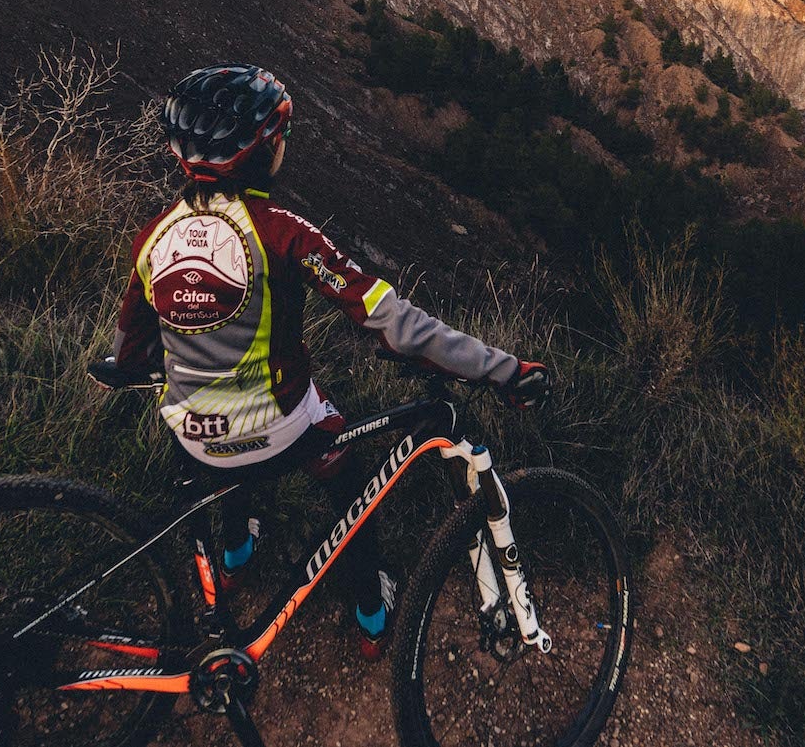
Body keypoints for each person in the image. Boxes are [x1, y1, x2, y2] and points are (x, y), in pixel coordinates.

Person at [91, 64, 548, 656]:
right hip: (281, 428)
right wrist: (501, 368)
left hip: (193, 433)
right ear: (260, 154)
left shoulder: (152, 236)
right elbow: (393, 323)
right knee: (344, 470)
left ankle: (234, 556)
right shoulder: (283, 233)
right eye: (279, 137)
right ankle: (370, 612)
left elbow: (131, 345)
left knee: (218, 455)